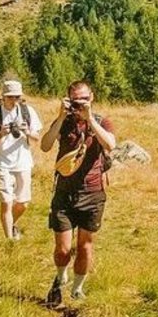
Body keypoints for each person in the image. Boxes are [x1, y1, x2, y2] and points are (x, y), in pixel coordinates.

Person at [40, 80, 116, 304]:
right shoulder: (64, 122)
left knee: (84, 246)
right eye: (76, 100)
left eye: (84, 99)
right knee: (63, 248)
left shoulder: (102, 121)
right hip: (64, 192)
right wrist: (61, 117)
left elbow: (110, 145)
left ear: (92, 97)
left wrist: (89, 118)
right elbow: (45, 145)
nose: (80, 104)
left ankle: (77, 289)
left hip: (92, 194)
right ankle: (61, 277)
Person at [0, 79, 42, 240]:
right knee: (6, 203)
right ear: (3, 97)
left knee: (23, 203)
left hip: (23, 163)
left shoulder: (28, 111)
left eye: (17, 97)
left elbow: (37, 138)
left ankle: (11, 223)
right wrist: (0, 134)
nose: (14, 100)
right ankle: (9, 241)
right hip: (3, 164)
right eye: (10, 97)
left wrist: (27, 131)